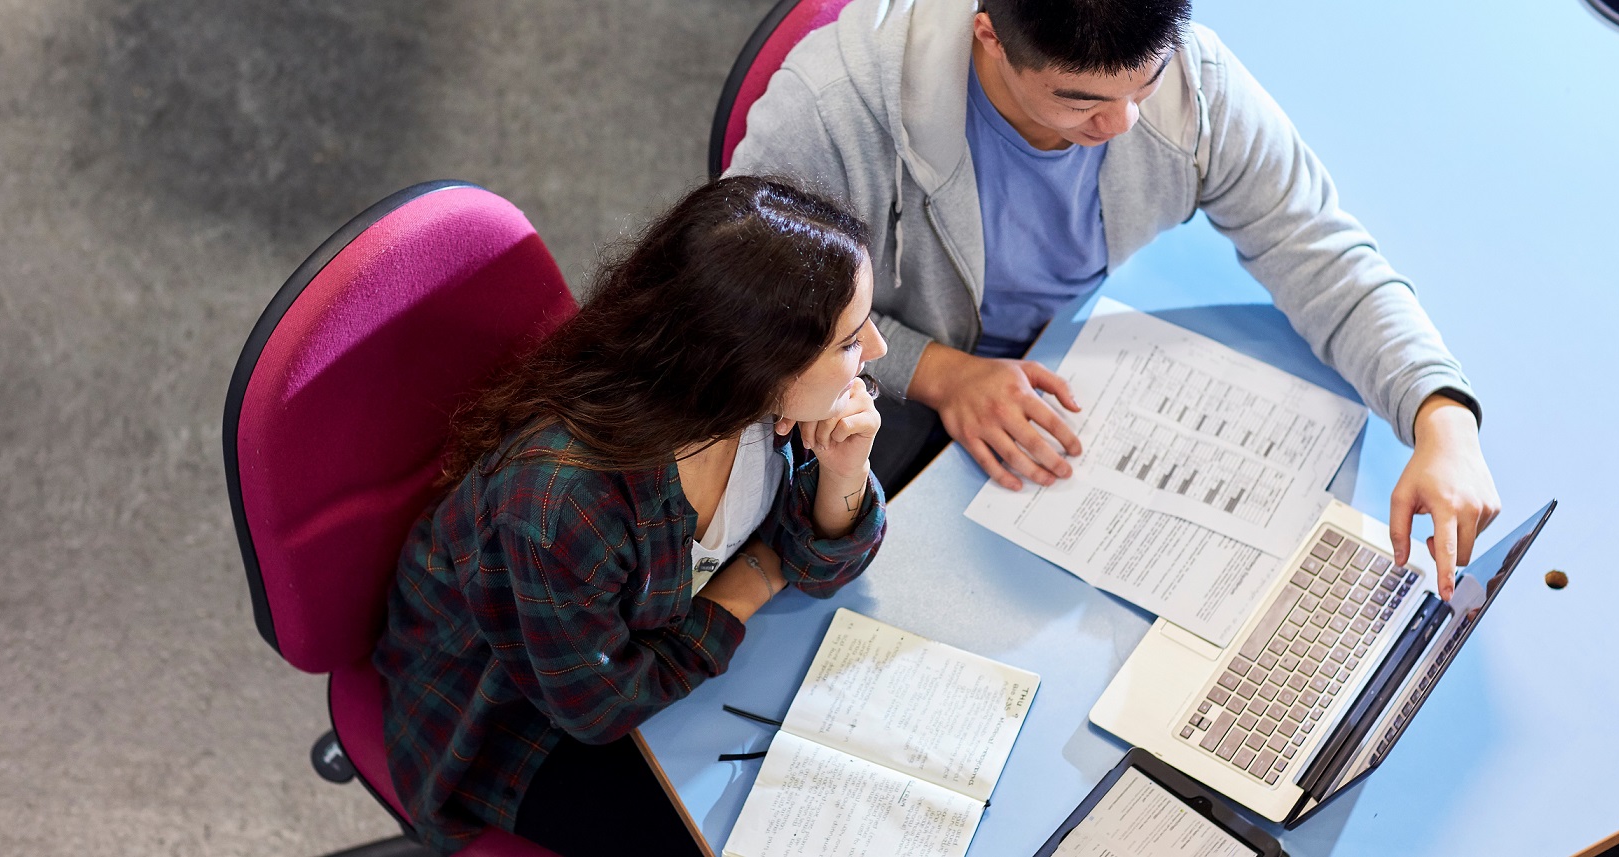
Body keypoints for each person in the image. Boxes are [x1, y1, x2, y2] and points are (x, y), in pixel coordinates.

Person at [728, 0, 1499, 596]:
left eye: (1147, 81)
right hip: (875, 386)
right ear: (988, 35)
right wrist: (939, 372)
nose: (1125, 122)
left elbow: (1316, 246)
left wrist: (1441, 417)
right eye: (1081, 101)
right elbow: (748, 309)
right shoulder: (831, 109)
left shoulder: (1188, 80)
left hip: (1057, 369)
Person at [372, 176, 889, 857]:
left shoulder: (755, 408)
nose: (877, 350)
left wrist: (844, 473)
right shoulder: (562, 503)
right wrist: (757, 576)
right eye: (850, 339)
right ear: (758, 365)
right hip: (510, 717)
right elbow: (597, 706)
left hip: (667, 648)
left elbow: (821, 565)